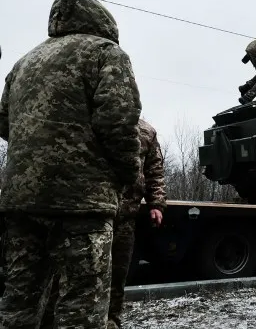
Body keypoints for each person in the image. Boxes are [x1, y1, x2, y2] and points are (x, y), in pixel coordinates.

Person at [0, 0, 142, 328]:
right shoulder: (104, 52)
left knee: (19, 301)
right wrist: (127, 174)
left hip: (22, 202)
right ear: (102, 22)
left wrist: (37, 156)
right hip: (82, 203)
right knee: (81, 305)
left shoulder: (25, 62)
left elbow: (5, 122)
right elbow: (118, 121)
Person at [39, 118, 166, 329]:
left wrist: (157, 204)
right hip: (88, 215)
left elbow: (155, 172)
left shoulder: (146, 132)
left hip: (123, 217)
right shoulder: (91, 122)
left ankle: (111, 322)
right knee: (69, 275)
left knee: (117, 277)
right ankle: (52, 321)